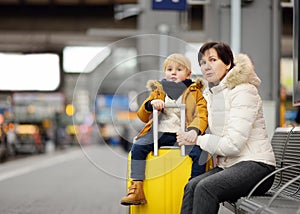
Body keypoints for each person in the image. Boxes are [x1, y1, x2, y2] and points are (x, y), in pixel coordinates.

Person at [177, 42, 276, 214]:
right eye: (202, 62)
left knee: (206, 188)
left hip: (258, 167)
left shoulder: (244, 91)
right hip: (231, 165)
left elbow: (233, 144)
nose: (206, 66)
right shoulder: (212, 95)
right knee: (192, 186)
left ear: (228, 63)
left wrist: (198, 140)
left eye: (212, 60)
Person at [120, 53, 209, 206]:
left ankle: (193, 189)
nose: (173, 72)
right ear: (165, 73)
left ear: (188, 74)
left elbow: (201, 114)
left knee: (200, 153)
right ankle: (136, 188)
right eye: (169, 69)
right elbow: (142, 115)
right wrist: (151, 103)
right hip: (160, 132)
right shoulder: (159, 91)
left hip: (182, 134)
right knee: (139, 147)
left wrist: (193, 131)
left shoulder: (195, 93)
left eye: (179, 69)